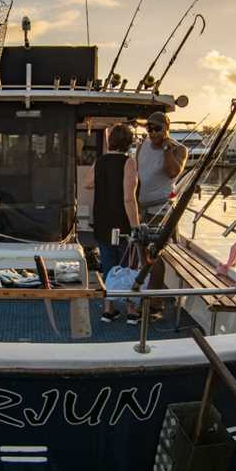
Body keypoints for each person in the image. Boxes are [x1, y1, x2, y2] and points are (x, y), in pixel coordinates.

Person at [84, 123, 141, 324]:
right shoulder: (129, 163)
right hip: (122, 222)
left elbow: (87, 183)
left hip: (102, 220)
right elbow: (128, 197)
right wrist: (136, 226)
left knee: (108, 263)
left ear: (110, 141)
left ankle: (108, 310)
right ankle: (132, 311)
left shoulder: (100, 162)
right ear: (129, 142)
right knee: (129, 265)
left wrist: (104, 180)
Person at [136, 111, 188, 318]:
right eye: (149, 128)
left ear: (167, 128)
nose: (152, 132)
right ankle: (146, 298)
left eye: (157, 128)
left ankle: (155, 304)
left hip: (161, 211)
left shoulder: (179, 149)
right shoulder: (141, 147)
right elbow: (139, 178)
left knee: (154, 257)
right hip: (142, 210)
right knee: (143, 256)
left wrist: (166, 149)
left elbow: (172, 172)